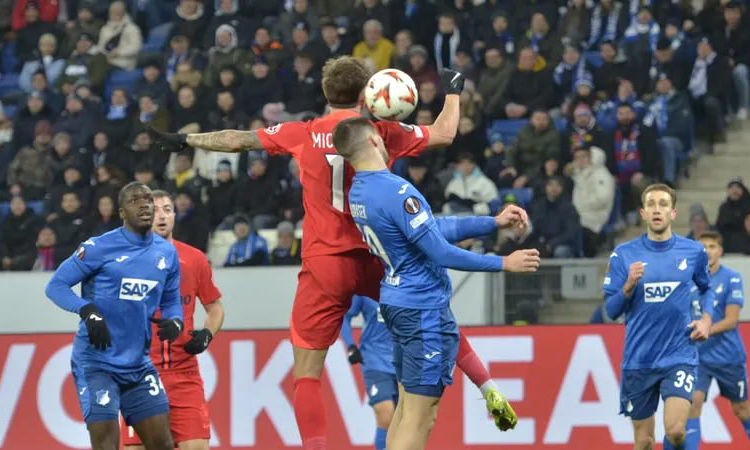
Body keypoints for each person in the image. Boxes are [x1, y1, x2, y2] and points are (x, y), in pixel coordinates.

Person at [147, 57, 517, 448]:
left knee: (307, 374)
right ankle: (485, 383)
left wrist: (188, 140)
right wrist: (454, 90)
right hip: (378, 255)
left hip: (324, 264)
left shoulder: (302, 132)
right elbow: (444, 133)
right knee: (435, 314)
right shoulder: (378, 132)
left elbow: (238, 139)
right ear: (366, 95)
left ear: (326, 94)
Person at [331, 116, 541, 450]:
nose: (385, 141)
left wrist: (492, 222)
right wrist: (504, 262)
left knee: (413, 411)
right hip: (420, 308)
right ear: (373, 142)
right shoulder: (395, 190)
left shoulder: (360, 190)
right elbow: (440, 252)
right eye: (380, 137)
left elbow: (431, 228)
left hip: (401, 301)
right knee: (417, 416)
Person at [44, 182, 184, 450]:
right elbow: (56, 285)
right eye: (135, 201)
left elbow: (170, 299)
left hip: (138, 364)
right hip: (97, 362)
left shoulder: (166, 253)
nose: (144, 204)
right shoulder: (98, 247)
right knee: (107, 445)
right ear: (121, 211)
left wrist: (176, 320)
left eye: (148, 200)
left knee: (164, 444)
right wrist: (86, 310)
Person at [603, 183, 714, 450]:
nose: (657, 209)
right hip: (639, 360)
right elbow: (611, 310)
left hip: (679, 355)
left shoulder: (693, 252)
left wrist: (706, 320)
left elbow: (707, 288)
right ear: (642, 213)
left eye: (663, 204)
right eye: (651, 204)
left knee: (676, 431)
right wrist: (628, 286)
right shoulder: (624, 254)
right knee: (644, 440)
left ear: (673, 213)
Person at [122, 190, 226, 450]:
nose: (162, 216)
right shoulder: (125, 262)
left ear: (175, 216)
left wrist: (206, 334)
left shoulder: (194, 259)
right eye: (155, 210)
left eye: (167, 210)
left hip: (184, 375)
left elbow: (215, 308)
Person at [685, 231, 750, 450]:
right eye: (703, 247)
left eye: (712, 247)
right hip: (698, 357)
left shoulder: (732, 277)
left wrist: (704, 330)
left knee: (741, 409)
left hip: (728, 356)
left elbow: (731, 320)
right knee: (693, 405)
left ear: (719, 251)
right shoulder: (687, 280)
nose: (708, 251)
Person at [340, 295, 398, 450]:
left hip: (404, 363)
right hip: (374, 360)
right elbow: (344, 316)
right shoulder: (366, 285)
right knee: (385, 414)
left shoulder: (408, 282)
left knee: (402, 424)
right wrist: (351, 346)